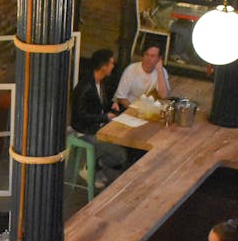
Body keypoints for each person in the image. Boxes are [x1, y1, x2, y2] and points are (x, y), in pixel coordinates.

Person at [70, 49, 128, 184]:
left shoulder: (100, 82)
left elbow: (99, 105)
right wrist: (104, 118)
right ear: (103, 66)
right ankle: (91, 165)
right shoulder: (85, 86)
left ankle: (95, 164)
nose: (113, 67)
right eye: (111, 64)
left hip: (97, 126)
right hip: (85, 130)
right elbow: (79, 115)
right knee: (121, 155)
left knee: (121, 141)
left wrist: (110, 107)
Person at [114, 43, 170, 109]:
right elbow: (121, 97)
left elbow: (163, 96)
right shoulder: (131, 69)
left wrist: (160, 71)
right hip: (129, 107)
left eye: (152, 56)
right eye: (147, 54)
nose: (148, 58)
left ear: (159, 59)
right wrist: (135, 111)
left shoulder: (161, 71)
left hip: (147, 109)